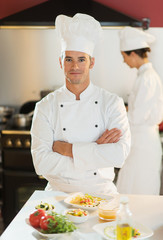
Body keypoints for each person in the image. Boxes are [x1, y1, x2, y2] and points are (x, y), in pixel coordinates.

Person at [30, 13, 131, 195]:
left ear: (91, 62)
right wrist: (96, 151)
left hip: (102, 194)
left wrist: (67, 149)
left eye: (81, 59)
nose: (75, 66)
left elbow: (119, 155)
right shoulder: (45, 107)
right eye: (69, 59)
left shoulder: (111, 103)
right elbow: (41, 163)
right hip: (58, 194)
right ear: (61, 62)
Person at [116, 26, 163, 195]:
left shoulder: (147, 78)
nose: (124, 61)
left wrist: (117, 114)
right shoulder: (144, 76)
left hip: (143, 145)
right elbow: (138, 109)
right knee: (131, 188)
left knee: (139, 192)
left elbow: (136, 116)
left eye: (124, 56)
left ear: (133, 54)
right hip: (139, 142)